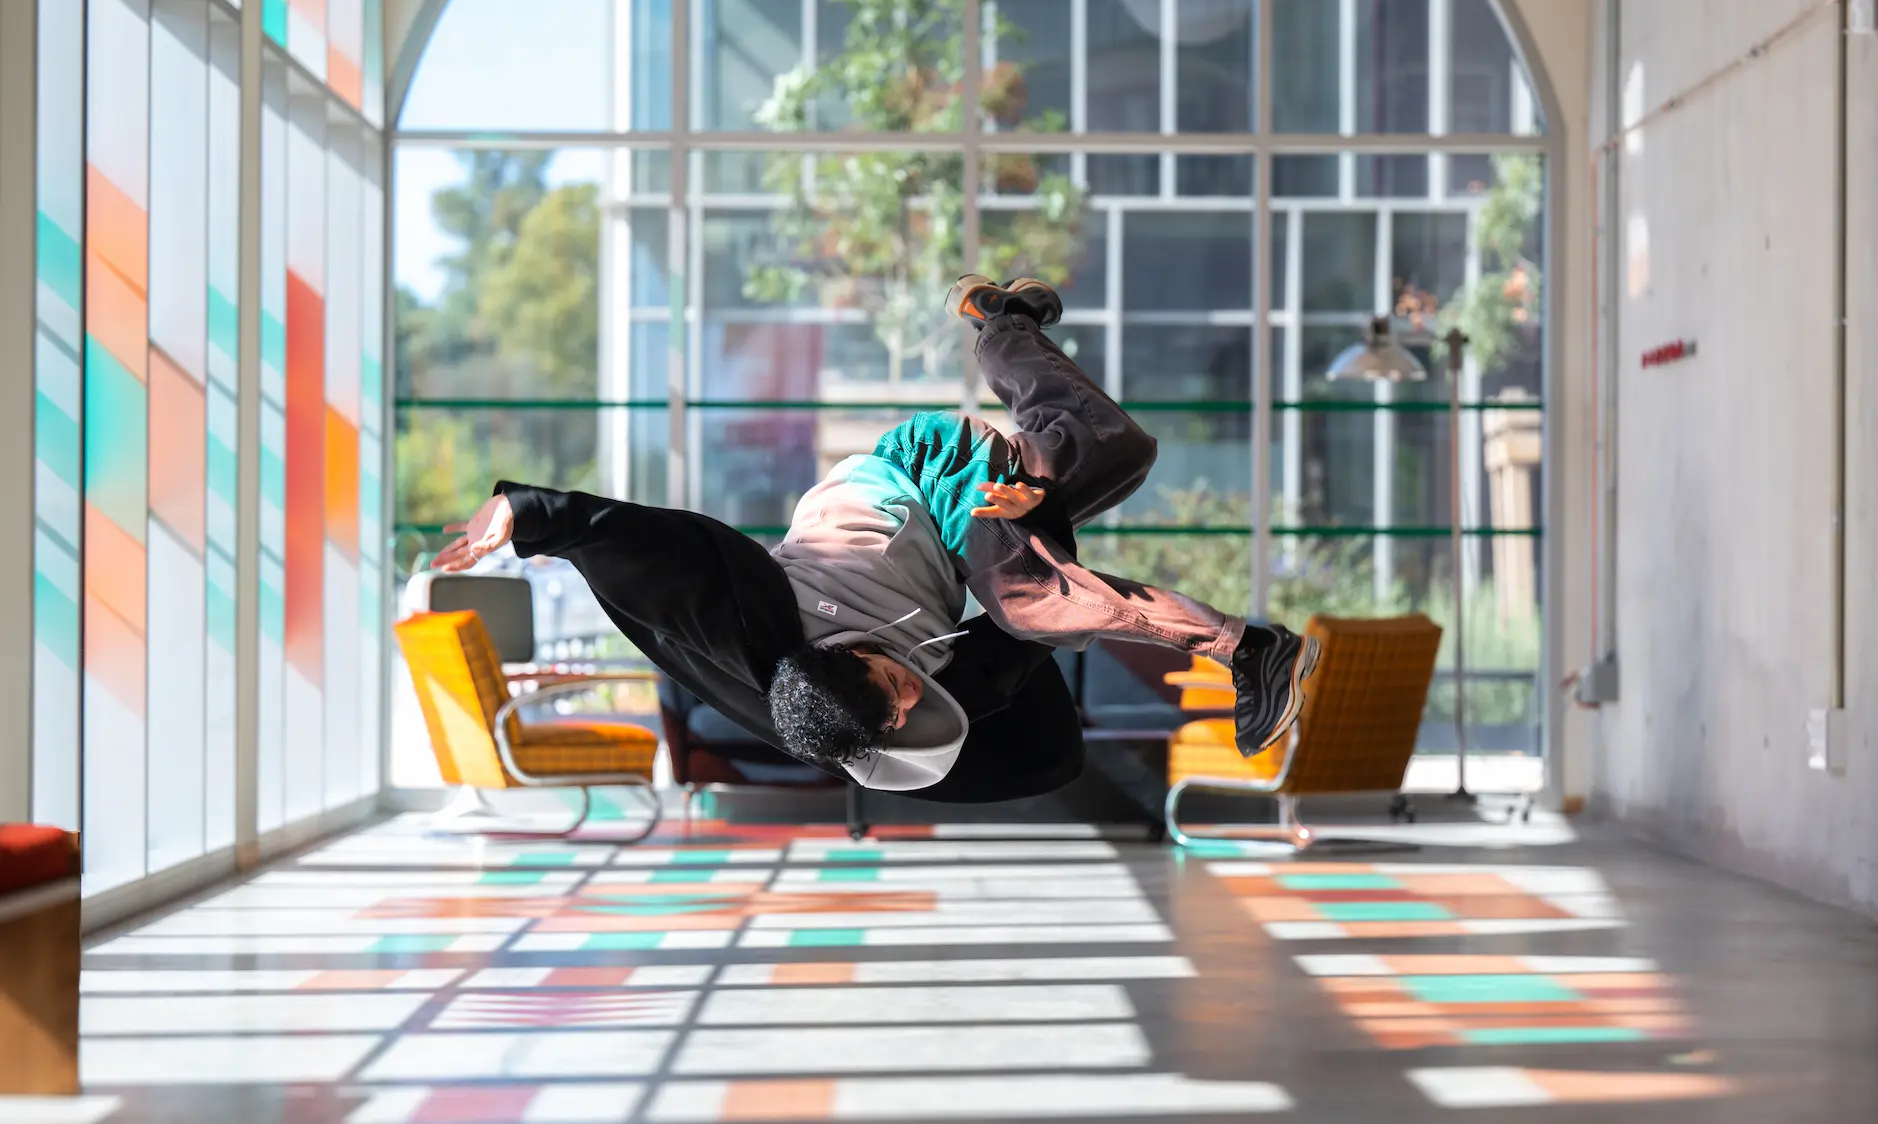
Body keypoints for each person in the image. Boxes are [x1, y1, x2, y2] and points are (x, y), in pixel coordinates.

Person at [433, 275, 1320, 802]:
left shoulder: (765, 623)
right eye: (903, 701)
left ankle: (1250, 650)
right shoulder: (881, 706)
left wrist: (529, 518)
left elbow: (665, 558)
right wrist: (1045, 592)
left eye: (893, 680)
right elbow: (1002, 699)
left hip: (920, 474)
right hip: (965, 528)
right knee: (1117, 454)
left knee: (1027, 600)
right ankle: (1001, 320)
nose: (912, 692)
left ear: (847, 654)